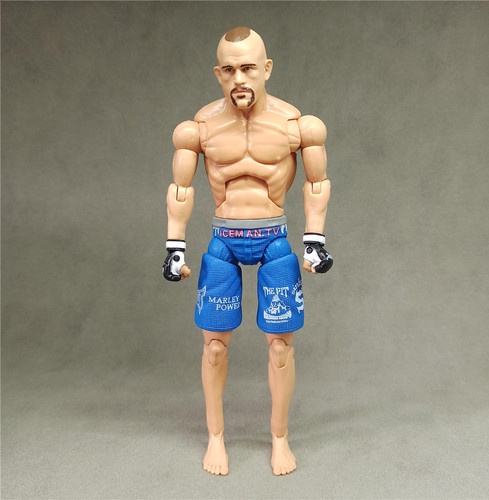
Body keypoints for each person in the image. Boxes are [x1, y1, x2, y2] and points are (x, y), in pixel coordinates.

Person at [163, 26, 332, 476]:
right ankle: (216, 438)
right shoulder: (199, 128)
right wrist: (174, 247)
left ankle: (280, 438)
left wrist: (314, 241)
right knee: (214, 347)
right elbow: (180, 188)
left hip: (274, 238)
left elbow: (317, 183)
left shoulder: (297, 125)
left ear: (267, 69)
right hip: (224, 239)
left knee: (280, 346)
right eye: (229, 69)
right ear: (218, 73)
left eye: (248, 68)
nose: (239, 78)